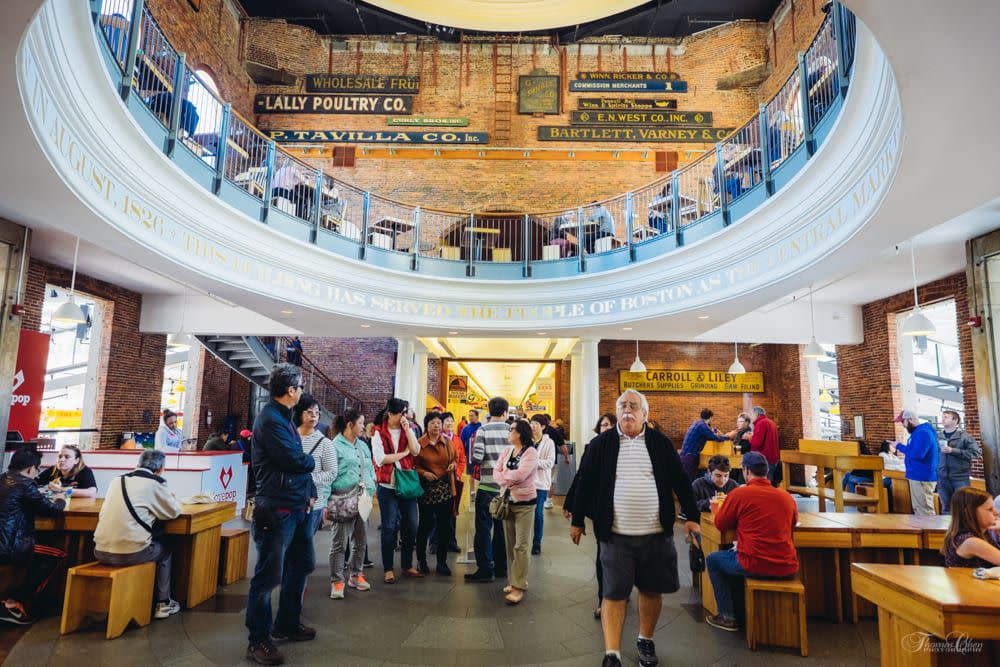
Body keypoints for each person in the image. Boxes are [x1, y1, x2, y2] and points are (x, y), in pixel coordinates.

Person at [570, 389, 700, 667]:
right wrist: (577, 520)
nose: (627, 410)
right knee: (613, 593)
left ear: (645, 414)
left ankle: (645, 639)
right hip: (615, 534)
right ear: (616, 412)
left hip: (655, 533)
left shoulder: (660, 443)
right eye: (622, 406)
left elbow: (680, 479)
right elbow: (585, 482)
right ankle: (612, 653)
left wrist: (692, 517)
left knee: (652, 591)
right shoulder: (601, 444)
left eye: (633, 406)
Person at [245, 363, 318, 665]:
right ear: (291, 390)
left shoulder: (283, 417)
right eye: (300, 386)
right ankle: (257, 640)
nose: (301, 391)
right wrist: (311, 463)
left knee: (302, 564)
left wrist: (309, 491)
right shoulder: (271, 421)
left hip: (296, 506)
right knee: (267, 577)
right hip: (276, 509)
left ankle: (286, 623)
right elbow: (292, 460)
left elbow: (296, 462)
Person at [704, 451, 799, 632]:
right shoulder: (786, 497)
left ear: (746, 471)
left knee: (713, 559)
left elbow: (721, 524)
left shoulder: (740, 494)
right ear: (766, 471)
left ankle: (727, 616)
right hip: (787, 566)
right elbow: (793, 523)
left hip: (754, 563)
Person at [94, 448, 182, 620]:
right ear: (160, 469)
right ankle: (163, 603)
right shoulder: (155, 483)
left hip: (99, 550)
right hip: (131, 553)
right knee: (166, 551)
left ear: (138, 464)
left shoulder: (116, 481)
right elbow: (173, 513)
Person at [0, 447, 67, 625]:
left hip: (5, 542)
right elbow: (52, 510)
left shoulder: (2, 479)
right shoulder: (26, 485)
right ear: (31, 469)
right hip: (10, 547)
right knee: (56, 554)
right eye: (36, 469)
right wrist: (61, 498)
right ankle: (14, 603)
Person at [564, 412, 618, 620]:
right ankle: (603, 599)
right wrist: (573, 506)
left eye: (611, 425)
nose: (607, 428)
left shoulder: (627, 448)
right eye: (604, 425)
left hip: (625, 510)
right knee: (603, 554)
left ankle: (618, 591)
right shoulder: (593, 447)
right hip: (601, 509)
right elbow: (582, 478)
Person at [371, 397, 422, 583]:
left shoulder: (409, 429)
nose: (405, 416)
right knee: (389, 527)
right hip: (387, 486)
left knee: (411, 525)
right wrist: (403, 454)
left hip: (406, 484)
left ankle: (407, 565)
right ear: (391, 413)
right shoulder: (378, 432)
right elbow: (380, 458)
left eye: (406, 413)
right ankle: (388, 568)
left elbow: (416, 450)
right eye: (402, 413)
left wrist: (408, 430)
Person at [327, 409, 376, 600]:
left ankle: (356, 575)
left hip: (362, 498)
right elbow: (330, 474)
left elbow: (370, 468)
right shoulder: (334, 446)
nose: (364, 426)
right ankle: (336, 580)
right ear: (350, 425)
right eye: (361, 423)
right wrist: (324, 502)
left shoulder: (362, 445)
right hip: (341, 499)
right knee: (339, 542)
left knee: (360, 540)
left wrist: (371, 489)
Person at [494, 420, 540, 605]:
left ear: (520, 432)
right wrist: (505, 477)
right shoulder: (507, 451)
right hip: (507, 502)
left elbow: (522, 474)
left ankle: (519, 586)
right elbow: (496, 472)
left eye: (511, 429)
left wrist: (505, 477)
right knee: (510, 543)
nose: (509, 431)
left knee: (521, 545)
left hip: (525, 504)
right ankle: (515, 580)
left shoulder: (531, 452)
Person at [467, 396, 511, 583]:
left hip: (486, 486)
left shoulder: (482, 430)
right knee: (502, 530)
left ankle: (485, 569)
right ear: (505, 412)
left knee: (484, 529)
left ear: (489, 411)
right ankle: (501, 568)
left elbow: (477, 457)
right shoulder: (511, 430)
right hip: (506, 489)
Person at [414, 411, 457, 576]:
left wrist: (453, 464)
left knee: (444, 526)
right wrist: (424, 473)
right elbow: (412, 465)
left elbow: (454, 457)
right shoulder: (419, 444)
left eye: (439, 423)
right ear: (426, 425)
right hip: (426, 490)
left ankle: (442, 562)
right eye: (433, 423)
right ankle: (421, 561)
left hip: (444, 489)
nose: (437, 426)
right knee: (425, 526)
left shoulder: (446, 442)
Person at [294, 394, 338, 535]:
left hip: (312, 504)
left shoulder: (325, 443)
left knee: (303, 547)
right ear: (299, 413)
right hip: (288, 501)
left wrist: (308, 478)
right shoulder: (289, 438)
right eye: (309, 412)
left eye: (317, 413)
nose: (314, 416)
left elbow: (332, 473)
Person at [893, 409, 939, 516]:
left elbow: (917, 454)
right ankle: (924, 531)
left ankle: (931, 531)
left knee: (925, 510)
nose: (903, 425)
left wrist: (899, 446)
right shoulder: (918, 433)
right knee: (919, 508)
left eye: (903, 422)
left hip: (922, 476)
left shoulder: (923, 433)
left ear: (910, 420)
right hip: (917, 475)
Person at [941, 487, 1000, 568]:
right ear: (970, 512)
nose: (996, 513)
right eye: (990, 509)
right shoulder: (970, 541)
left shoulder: (985, 534)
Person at [937, 409, 982, 514]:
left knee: (963, 508)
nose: (942, 419)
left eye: (946, 417)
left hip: (960, 478)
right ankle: (947, 529)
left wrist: (953, 451)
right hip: (942, 478)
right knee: (946, 508)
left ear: (955, 420)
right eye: (942, 417)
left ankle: (964, 530)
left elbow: (976, 453)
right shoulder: (937, 436)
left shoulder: (965, 436)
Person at [436, 412, 467, 554]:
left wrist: (459, 473)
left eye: (451, 421)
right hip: (439, 481)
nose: (449, 424)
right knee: (437, 513)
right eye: (447, 421)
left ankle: (451, 542)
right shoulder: (437, 439)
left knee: (452, 512)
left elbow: (462, 460)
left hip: (454, 480)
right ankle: (434, 542)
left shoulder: (457, 439)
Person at [529, 415, 556, 555]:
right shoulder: (527, 441)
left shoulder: (549, 443)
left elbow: (550, 463)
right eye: (532, 423)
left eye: (536, 424)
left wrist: (533, 463)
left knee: (538, 513)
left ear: (543, 427)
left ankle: (537, 542)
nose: (533, 426)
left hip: (540, 483)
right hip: (526, 483)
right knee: (523, 513)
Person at [679, 409, 729, 482]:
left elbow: (709, 435)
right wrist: (728, 437)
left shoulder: (698, 423)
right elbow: (714, 438)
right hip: (689, 457)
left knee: (690, 479)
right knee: (688, 481)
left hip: (686, 455)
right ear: (711, 418)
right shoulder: (702, 425)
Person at [743, 406, 778, 484]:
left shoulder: (760, 423)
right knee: (769, 482)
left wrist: (748, 437)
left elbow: (757, 443)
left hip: (764, 459)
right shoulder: (771, 422)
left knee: (763, 483)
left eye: (751, 414)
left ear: (757, 414)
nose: (750, 417)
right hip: (772, 457)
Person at [541, 414, 568, 509]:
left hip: (539, 461)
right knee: (551, 481)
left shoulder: (536, 431)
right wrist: (567, 457)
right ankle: (548, 501)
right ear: (548, 421)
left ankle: (540, 500)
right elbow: (562, 446)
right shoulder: (554, 431)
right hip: (552, 461)